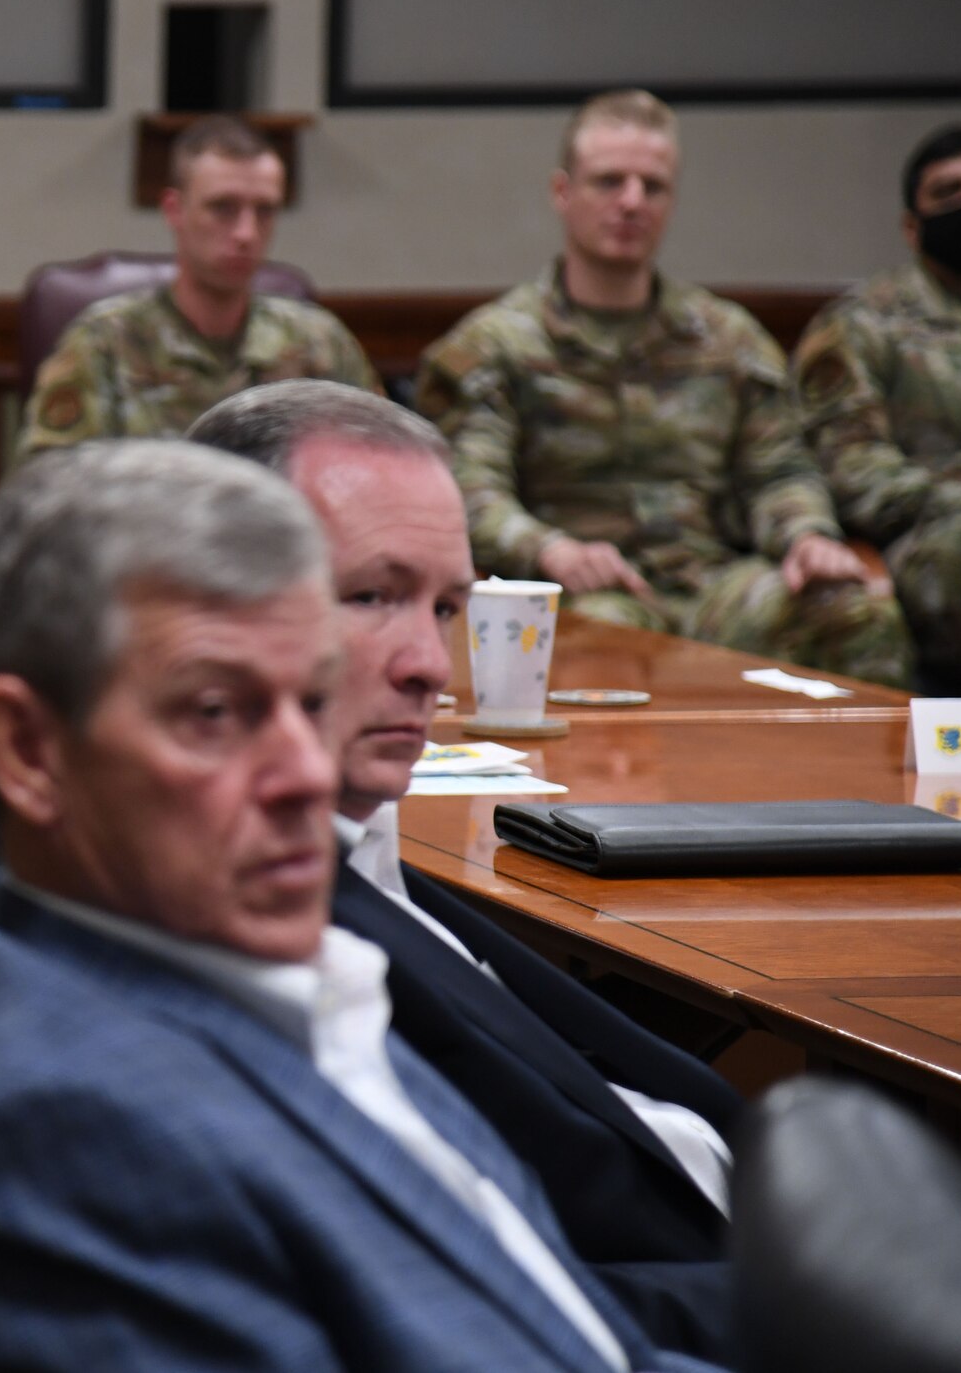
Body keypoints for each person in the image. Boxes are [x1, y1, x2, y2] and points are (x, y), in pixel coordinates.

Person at [0, 438, 722, 1372]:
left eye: (312, 702)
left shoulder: (266, 974)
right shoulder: (63, 1123)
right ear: (29, 749)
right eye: (215, 711)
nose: (305, 775)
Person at [190, 380, 742, 1360]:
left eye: (444, 606)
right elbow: (475, 1311)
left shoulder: (358, 846)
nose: (429, 665)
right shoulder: (234, 931)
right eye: (370, 596)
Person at [416, 89, 912, 688]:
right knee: (600, 638)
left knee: (859, 615)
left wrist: (807, 536)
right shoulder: (496, 345)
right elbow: (470, 492)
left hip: (712, 588)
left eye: (653, 187)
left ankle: (870, 786)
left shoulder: (728, 339)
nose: (632, 202)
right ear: (562, 193)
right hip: (580, 588)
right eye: (609, 182)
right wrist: (551, 551)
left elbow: (778, 473)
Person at [794, 124, 961, 692]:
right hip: (924, 557)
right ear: (911, 226)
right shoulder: (862, 325)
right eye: (950, 192)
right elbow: (854, 479)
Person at [20, 116, 379, 456]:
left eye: (265, 211)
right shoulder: (104, 345)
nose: (246, 234)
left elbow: (384, 467)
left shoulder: (320, 344)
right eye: (223, 208)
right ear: (175, 209)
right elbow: (48, 494)